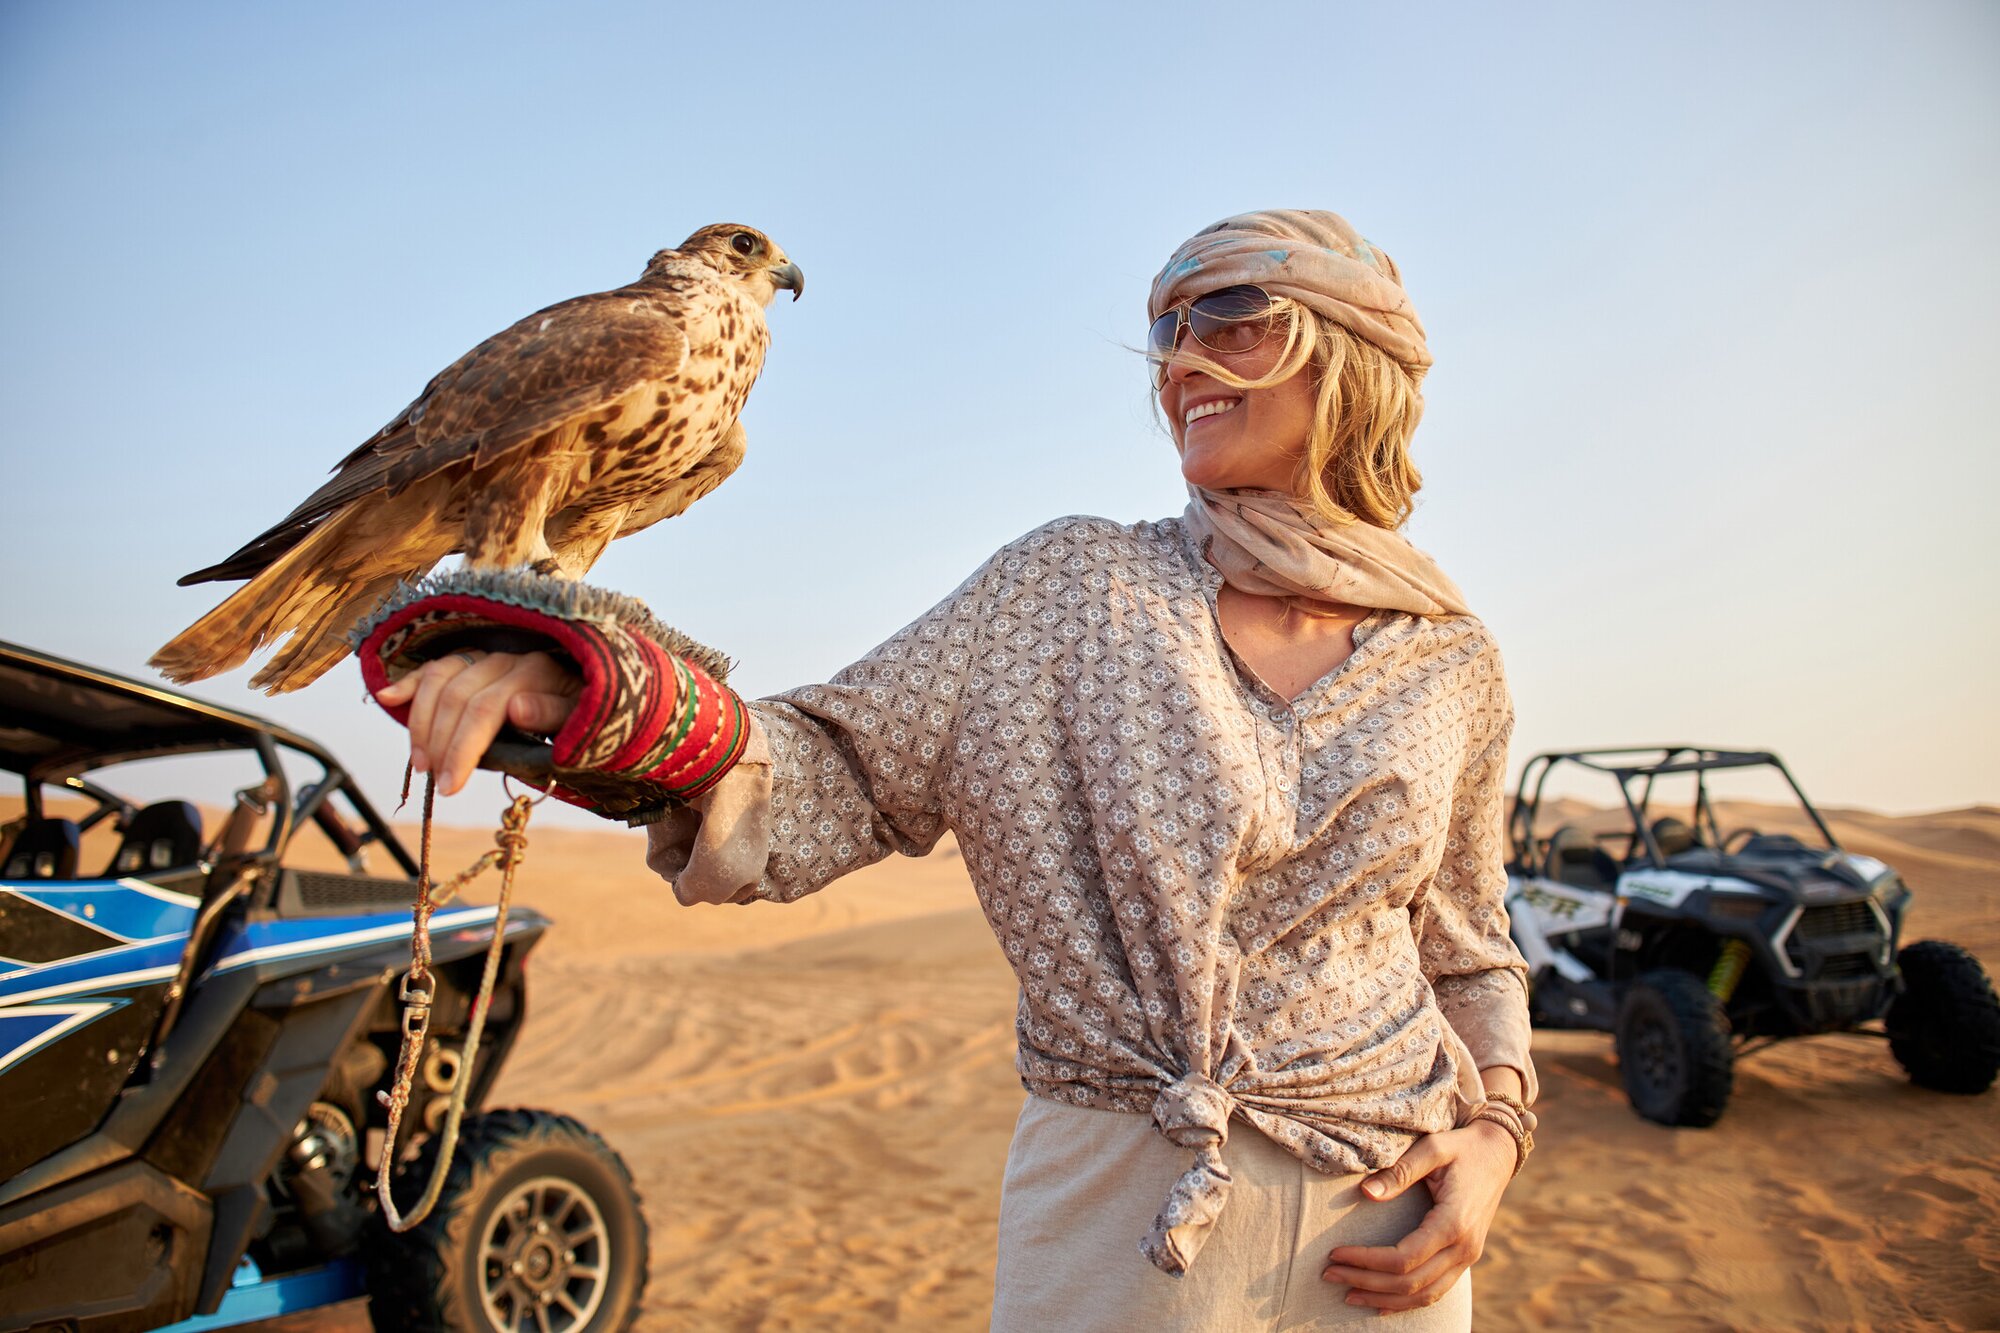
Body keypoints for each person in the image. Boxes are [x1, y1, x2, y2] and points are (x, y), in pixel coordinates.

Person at [371, 209, 1537, 1330]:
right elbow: (829, 770)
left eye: (1230, 318)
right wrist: (605, 696)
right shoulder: (1067, 589)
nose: (1180, 360)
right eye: (1166, 330)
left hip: (1397, 1224)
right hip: (1117, 1213)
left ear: (1352, 356)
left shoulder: (1449, 658)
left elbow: (1466, 941)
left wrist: (1494, 1135)